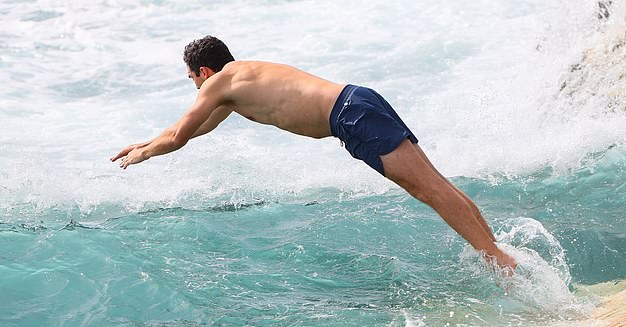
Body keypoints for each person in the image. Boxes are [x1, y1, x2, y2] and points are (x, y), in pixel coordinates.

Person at [111, 36, 517, 272]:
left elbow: (180, 135)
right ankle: (497, 253)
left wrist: (144, 157)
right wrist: (145, 143)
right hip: (356, 102)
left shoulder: (219, 83)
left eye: (191, 80)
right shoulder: (236, 86)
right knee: (435, 185)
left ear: (203, 72)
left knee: (429, 190)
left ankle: (498, 261)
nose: (195, 90)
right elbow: (191, 130)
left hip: (350, 115)